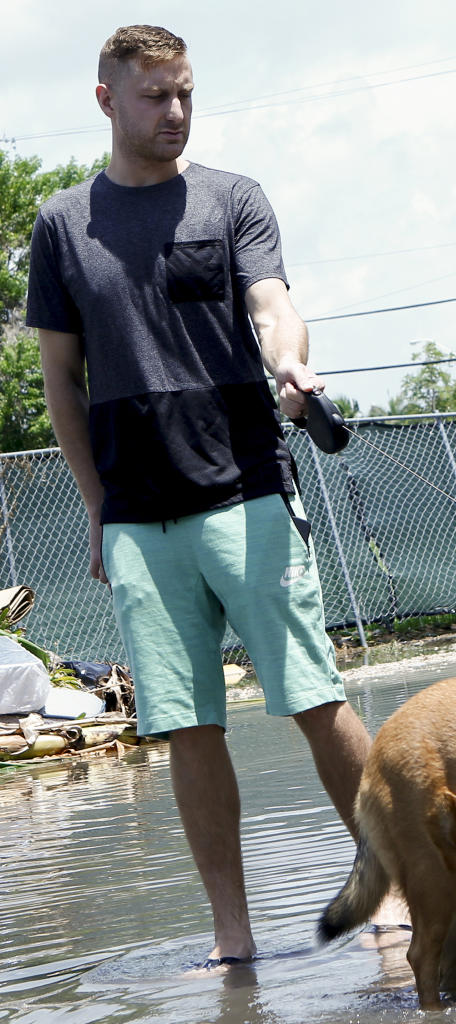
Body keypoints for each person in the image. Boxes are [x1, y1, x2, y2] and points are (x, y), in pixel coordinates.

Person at [27, 24, 404, 968]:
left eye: (186, 92)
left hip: (245, 491)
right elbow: (60, 384)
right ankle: (233, 939)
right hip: (139, 519)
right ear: (108, 99)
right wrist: (94, 506)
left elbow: (274, 304)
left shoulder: (233, 198)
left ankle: (392, 886)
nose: (176, 112)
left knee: (314, 698)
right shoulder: (62, 223)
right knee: (189, 728)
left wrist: (291, 366)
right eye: (155, 96)